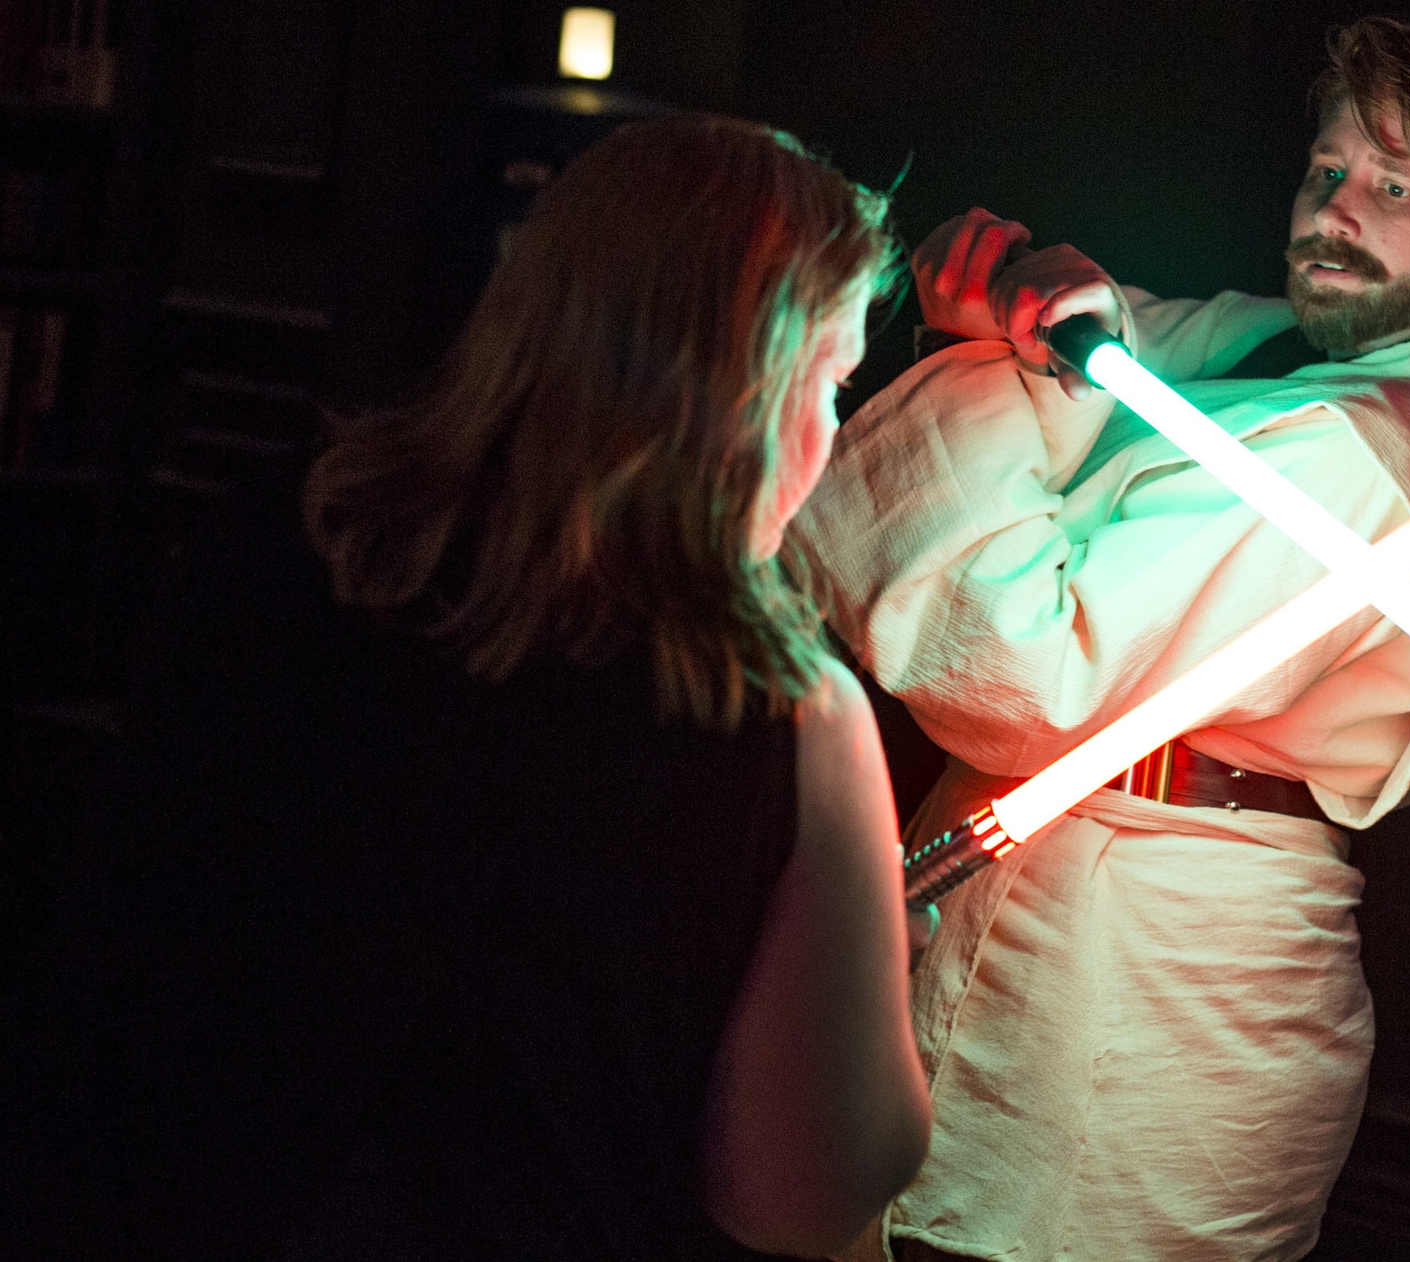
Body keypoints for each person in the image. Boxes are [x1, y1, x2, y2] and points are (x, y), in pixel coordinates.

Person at [785, 17, 1410, 1262]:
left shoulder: (1364, 449)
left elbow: (1029, 672)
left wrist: (974, 352)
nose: (1335, 213)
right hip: (1073, 908)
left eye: (1394, 189)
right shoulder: (1289, 345)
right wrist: (1023, 288)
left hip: (1136, 989)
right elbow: (1117, 333)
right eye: (1327, 171)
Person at [80, 113, 929, 1260]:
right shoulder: (780, 708)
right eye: (829, 381)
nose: (830, 436)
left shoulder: (282, 544)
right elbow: (802, 1194)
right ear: (745, 384)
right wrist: (874, 965)